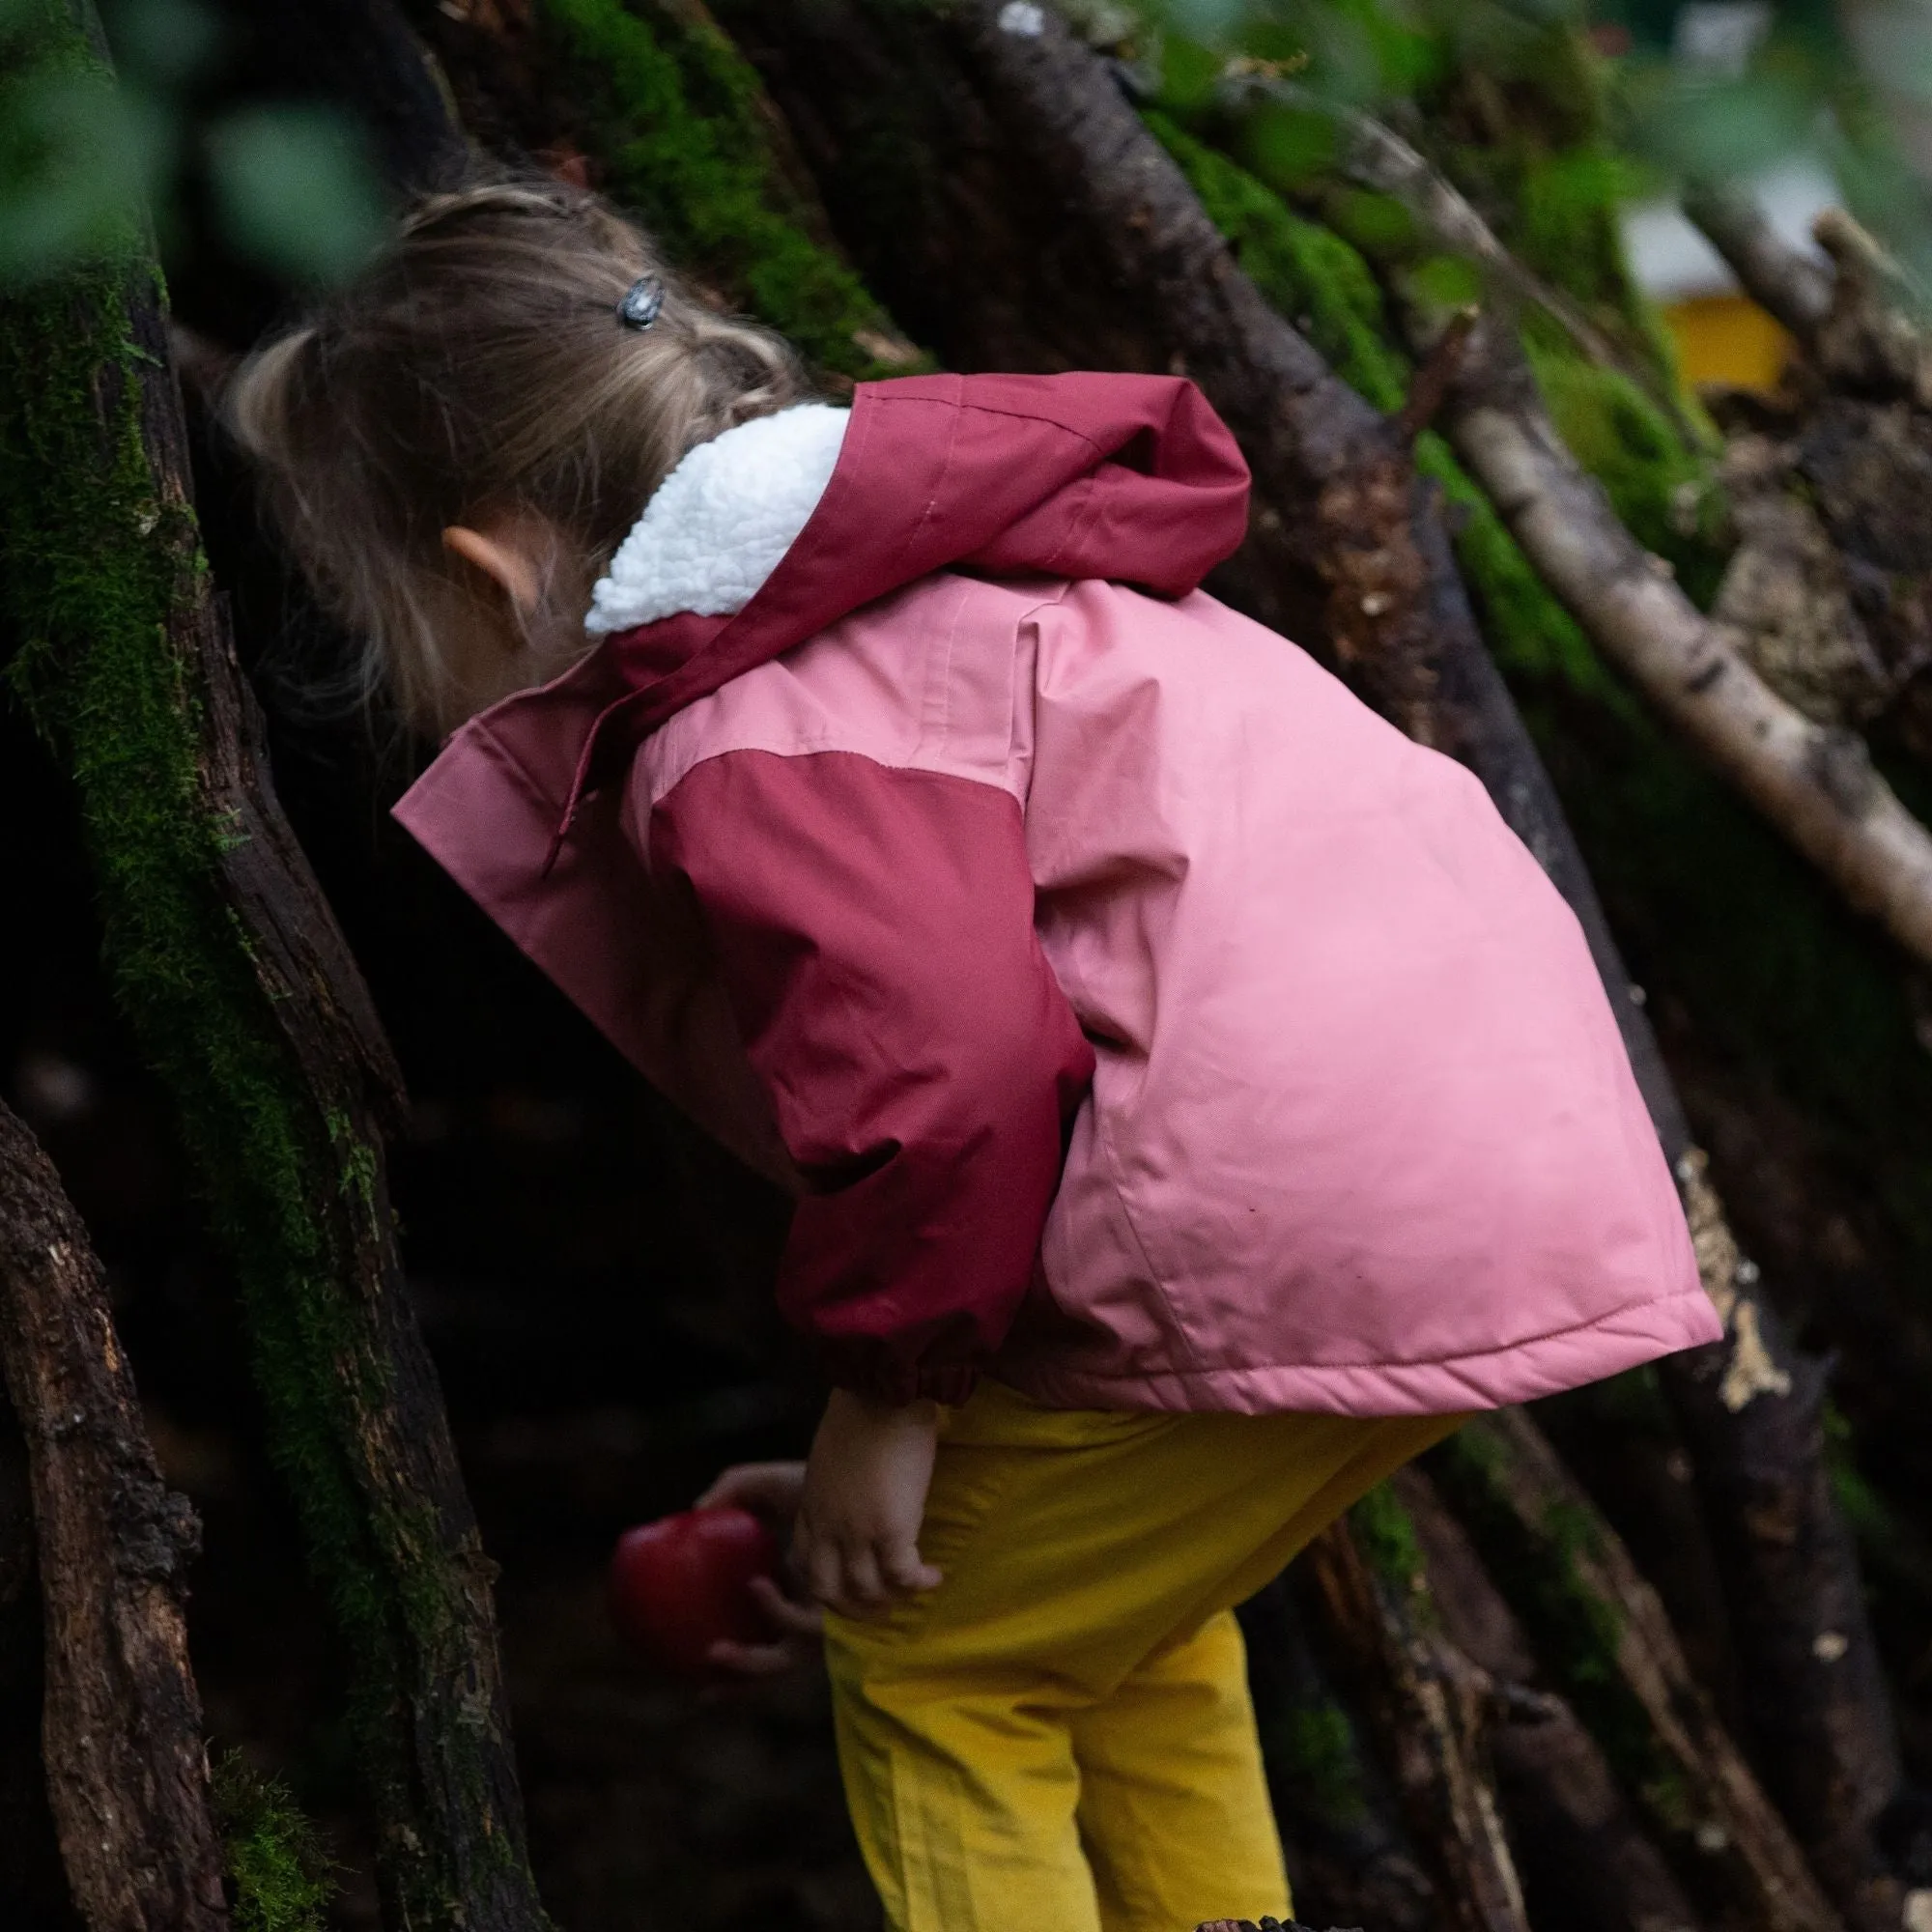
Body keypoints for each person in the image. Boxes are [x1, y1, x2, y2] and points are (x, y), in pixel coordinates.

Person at [228, 176, 1720, 1932]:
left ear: (485, 565)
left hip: (1287, 1211)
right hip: (1472, 1154)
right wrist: (953, 1426)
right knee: (1117, 1628)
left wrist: (889, 1398)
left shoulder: (753, 727)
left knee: (938, 1669)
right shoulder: (955, 586)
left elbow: (950, 1082)